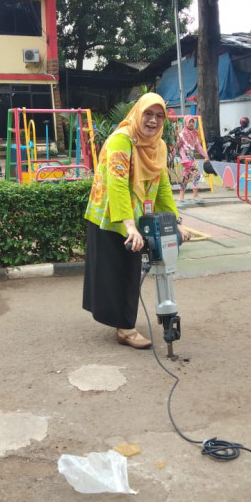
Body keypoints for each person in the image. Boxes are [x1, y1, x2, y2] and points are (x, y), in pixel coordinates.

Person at [83, 93, 191, 349]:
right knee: (118, 272)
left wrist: (175, 221)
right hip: (110, 215)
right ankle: (126, 329)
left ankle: (123, 322)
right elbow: (117, 184)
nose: (153, 121)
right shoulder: (121, 140)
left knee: (129, 271)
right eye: (148, 114)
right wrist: (128, 225)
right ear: (137, 113)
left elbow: (162, 183)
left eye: (159, 116)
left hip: (136, 217)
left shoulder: (159, 145)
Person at [176, 116, 208, 203]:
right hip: (186, 157)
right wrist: (184, 159)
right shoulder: (181, 134)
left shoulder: (194, 134)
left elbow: (198, 147)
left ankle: (193, 194)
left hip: (191, 157)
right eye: (189, 122)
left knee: (193, 175)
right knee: (188, 176)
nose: (191, 124)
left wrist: (205, 155)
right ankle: (183, 195)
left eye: (193, 122)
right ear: (186, 122)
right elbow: (179, 148)